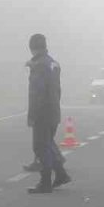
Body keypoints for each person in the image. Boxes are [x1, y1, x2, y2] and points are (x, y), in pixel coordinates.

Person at [26, 33, 70, 193]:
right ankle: (61, 174)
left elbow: (37, 93)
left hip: (42, 112)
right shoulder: (53, 63)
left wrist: (32, 115)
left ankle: (45, 183)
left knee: (40, 146)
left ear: (32, 48)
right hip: (53, 110)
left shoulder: (39, 66)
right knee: (48, 144)